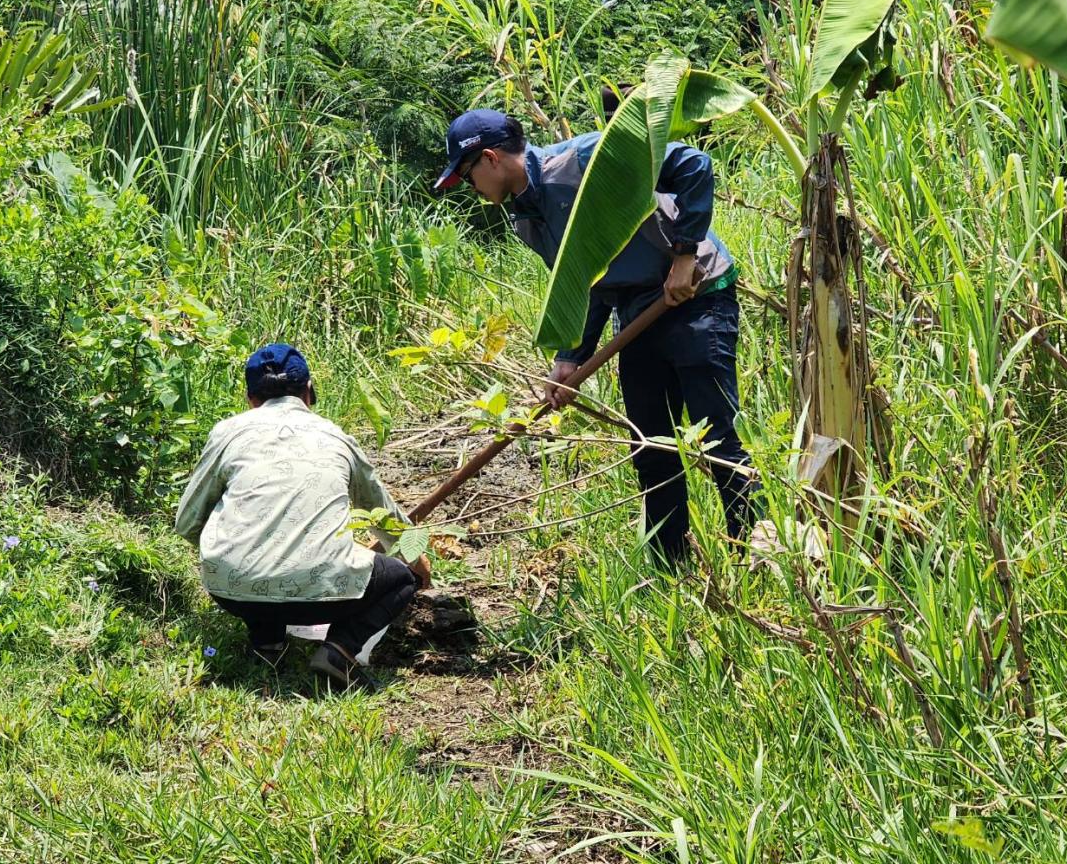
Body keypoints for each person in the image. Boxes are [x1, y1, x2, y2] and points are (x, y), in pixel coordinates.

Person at [434, 107, 757, 564]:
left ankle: (756, 561)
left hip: (695, 297)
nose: (472, 189)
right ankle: (671, 569)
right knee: (650, 446)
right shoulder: (526, 221)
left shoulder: (584, 160)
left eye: (467, 177)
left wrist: (685, 255)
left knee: (717, 440)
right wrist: (570, 358)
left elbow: (692, 165)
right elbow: (585, 285)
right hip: (638, 314)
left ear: (489, 159)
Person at [175, 343, 427, 690]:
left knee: (256, 559)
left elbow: (187, 522)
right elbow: (381, 513)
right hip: (325, 596)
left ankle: (268, 641)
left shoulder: (227, 433)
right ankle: (339, 650)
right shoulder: (337, 437)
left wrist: (231, 558)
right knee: (399, 578)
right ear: (309, 391)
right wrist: (418, 564)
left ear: (251, 398)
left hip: (230, 590)